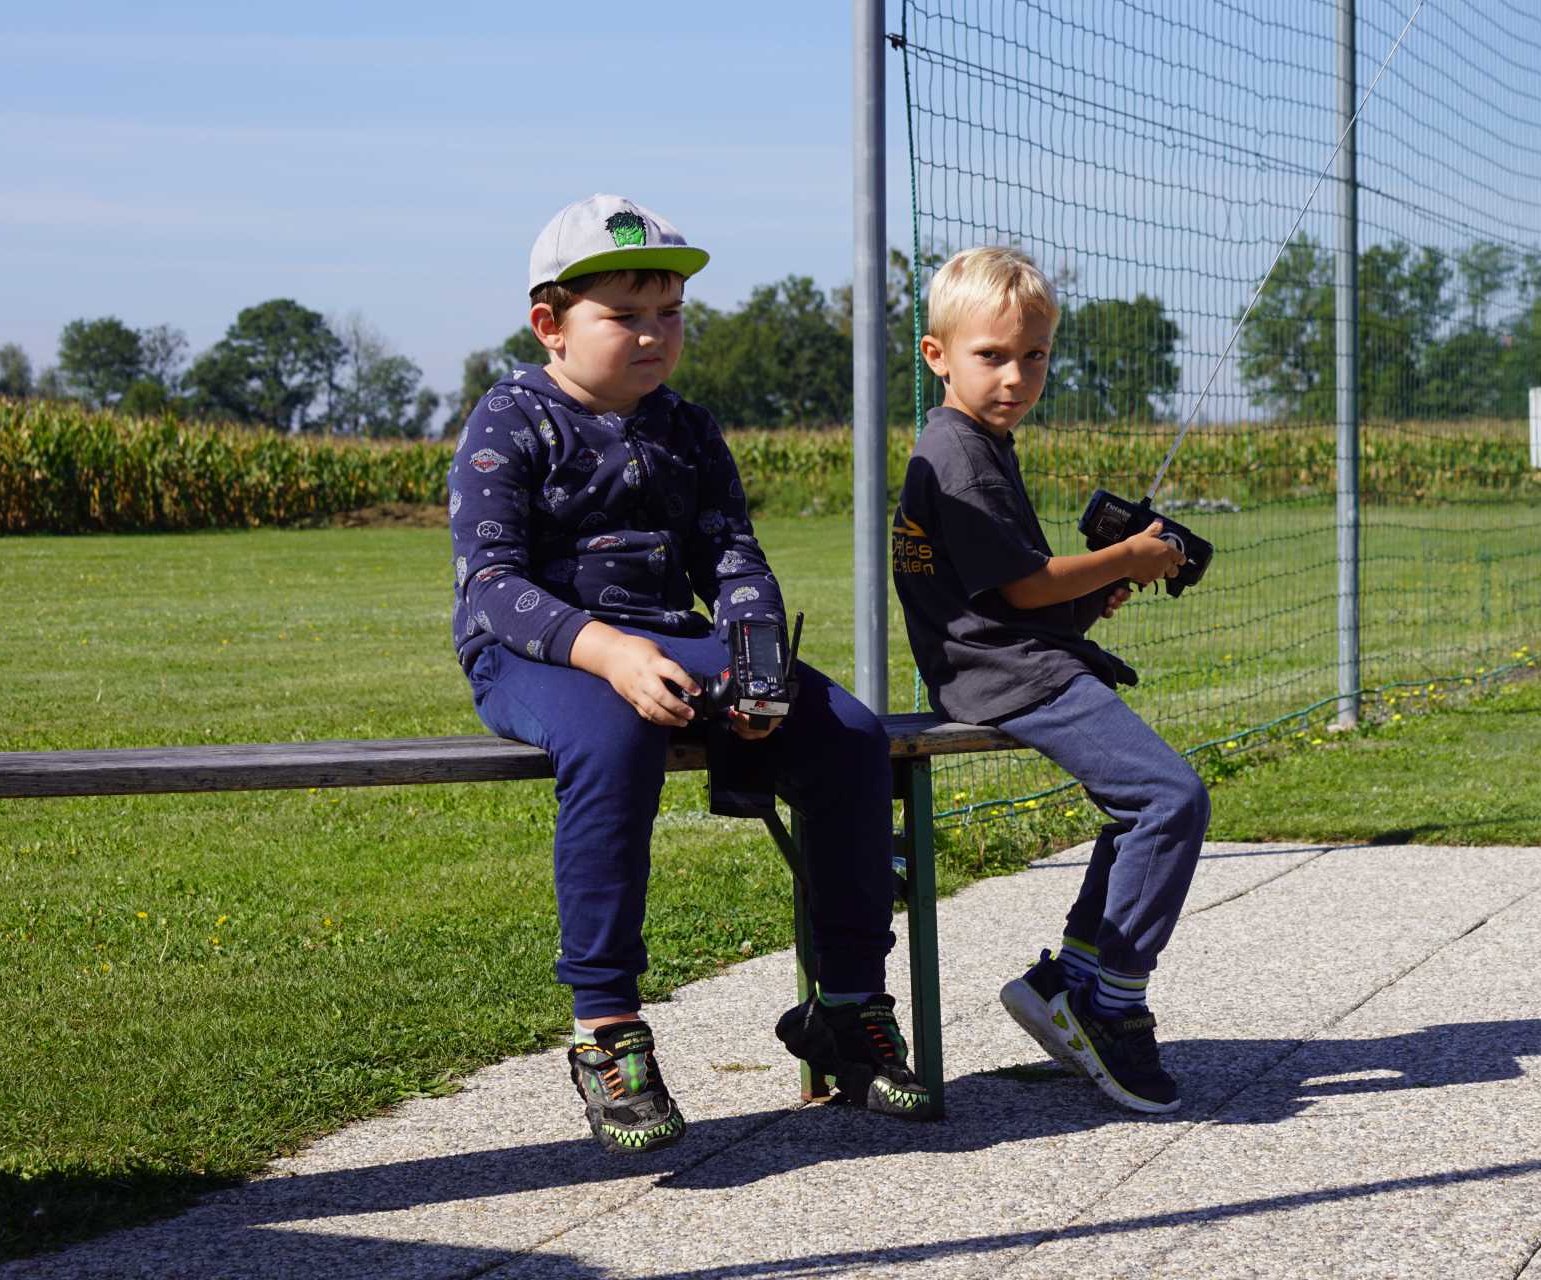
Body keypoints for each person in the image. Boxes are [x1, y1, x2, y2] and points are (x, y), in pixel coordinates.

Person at [451, 194, 927, 1154]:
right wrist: (610, 652)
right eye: (623, 316)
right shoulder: (510, 419)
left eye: (669, 314)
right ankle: (606, 1026)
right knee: (614, 735)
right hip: (541, 651)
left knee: (848, 734)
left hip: (675, 635)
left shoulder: (687, 428)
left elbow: (736, 564)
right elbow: (491, 584)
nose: (652, 335)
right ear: (550, 323)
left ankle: (846, 1003)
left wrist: (757, 674)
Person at [892, 246, 1209, 1114]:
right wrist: (1132, 556)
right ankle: (1112, 1003)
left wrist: (1093, 596)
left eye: (1034, 356)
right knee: (1169, 799)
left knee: (1142, 804)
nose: (1016, 376)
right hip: (1003, 676)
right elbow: (1027, 587)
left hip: (1010, 657)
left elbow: (1005, 590)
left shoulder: (978, 443)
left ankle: (1069, 976)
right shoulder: (958, 453)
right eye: (991, 355)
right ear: (937, 355)